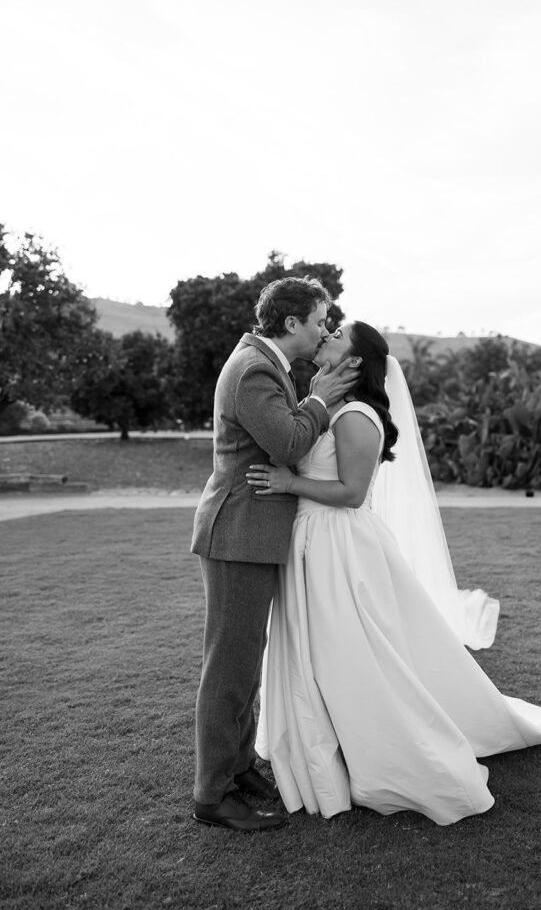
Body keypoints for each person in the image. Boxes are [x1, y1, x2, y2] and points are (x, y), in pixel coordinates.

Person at [246, 321, 541, 826]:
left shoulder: (356, 415)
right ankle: (329, 736)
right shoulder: (329, 406)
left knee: (348, 650)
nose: (328, 333)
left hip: (336, 546)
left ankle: (382, 747)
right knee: (325, 649)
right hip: (316, 541)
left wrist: (289, 482)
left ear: (356, 361)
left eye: (336, 333)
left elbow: (352, 494)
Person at [191, 277, 360, 832]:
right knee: (230, 667)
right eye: (319, 319)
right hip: (238, 534)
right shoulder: (254, 371)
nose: (324, 329)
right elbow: (287, 443)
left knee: (243, 660)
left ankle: (238, 768)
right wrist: (319, 401)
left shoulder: (267, 363)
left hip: (252, 534)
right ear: (292, 324)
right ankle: (211, 795)